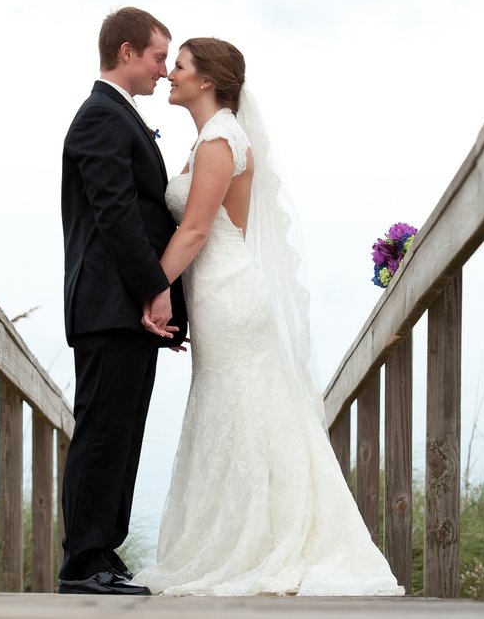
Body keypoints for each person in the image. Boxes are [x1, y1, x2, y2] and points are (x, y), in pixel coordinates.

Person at [134, 38, 404, 596]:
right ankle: (247, 535)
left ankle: (258, 544)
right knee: (231, 411)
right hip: (216, 290)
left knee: (241, 411)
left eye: (179, 67)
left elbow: (196, 229)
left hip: (228, 293)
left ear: (207, 80)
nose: (171, 76)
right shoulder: (216, 138)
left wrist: (152, 289)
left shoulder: (218, 141)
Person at [57, 7, 188, 596]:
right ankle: (83, 561)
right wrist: (154, 288)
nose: (164, 71)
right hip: (112, 303)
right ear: (129, 51)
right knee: (104, 429)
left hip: (126, 306)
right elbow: (115, 214)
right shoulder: (100, 117)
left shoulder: (118, 116)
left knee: (125, 430)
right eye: (160, 57)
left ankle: (102, 550)